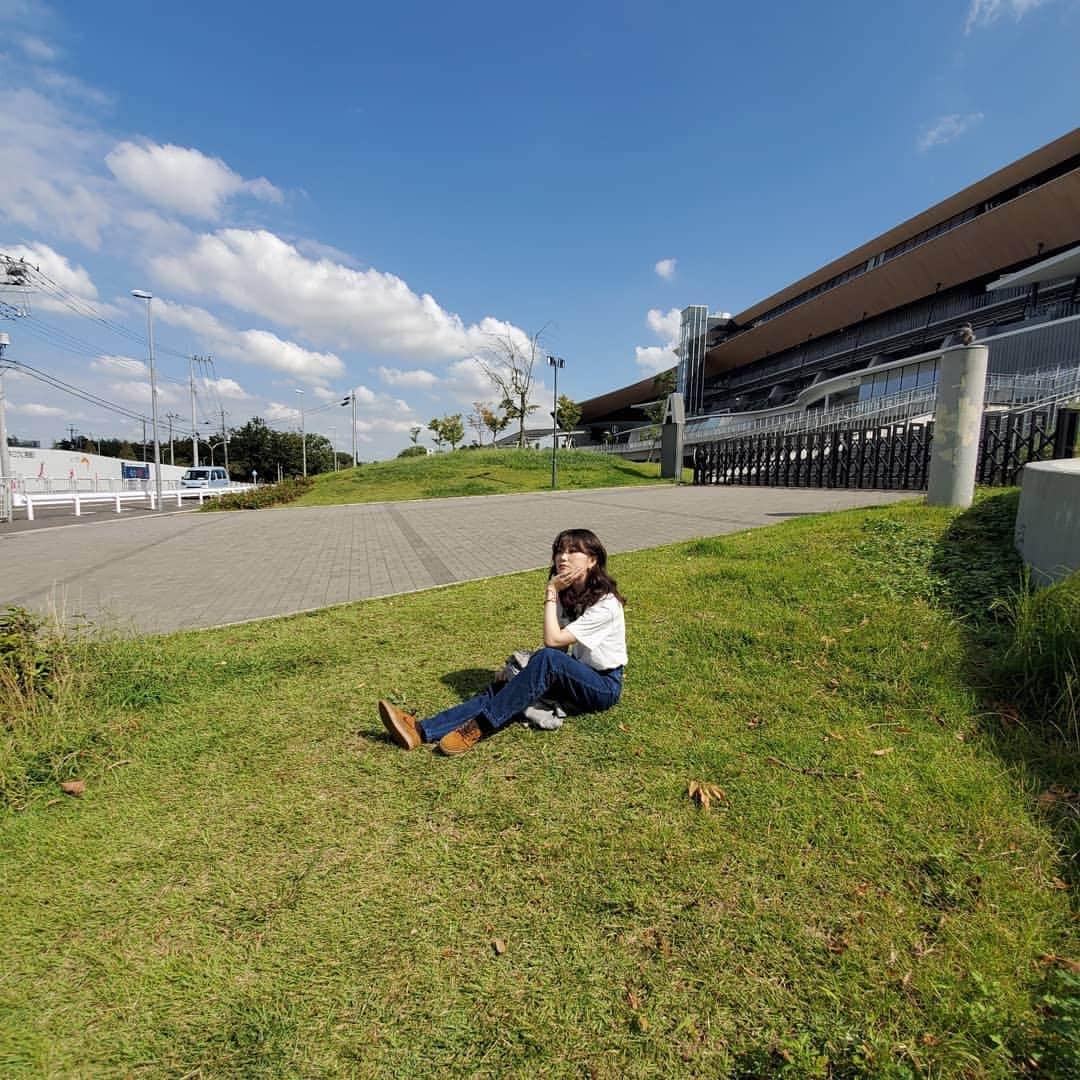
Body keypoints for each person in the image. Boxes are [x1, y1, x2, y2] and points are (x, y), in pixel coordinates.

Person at [379, 528, 627, 755]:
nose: (563, 557)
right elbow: (558, 648)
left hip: (603, 686)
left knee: (545, 661)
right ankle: (421, 730)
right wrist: (525, 675)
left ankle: (479, 728)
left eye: (573, 551)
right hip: (576, 673)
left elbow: (552, 643)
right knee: (505, 688)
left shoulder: (606, 604)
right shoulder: (569, 594)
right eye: (559, 551)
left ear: (593, 560)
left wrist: (551, 593)